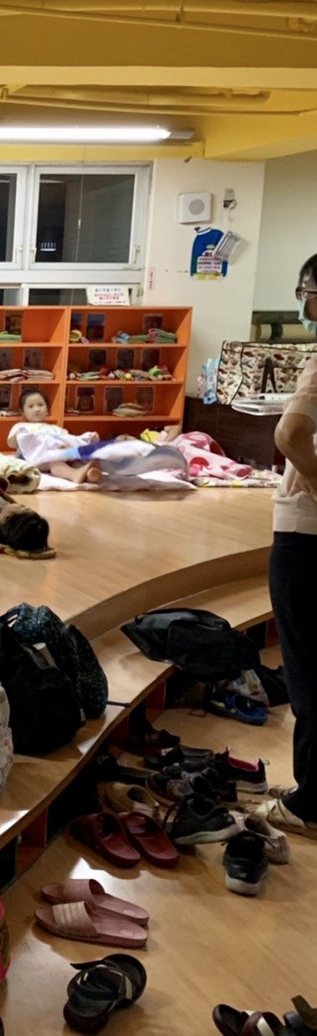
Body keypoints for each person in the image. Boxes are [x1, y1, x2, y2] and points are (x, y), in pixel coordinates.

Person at [252, 251, 317, 839]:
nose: (304, 305)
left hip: (308, 535)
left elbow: (290, 432)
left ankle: (309, 804)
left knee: (308, 667)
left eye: (306, 292)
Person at [7, 390, 107, 485]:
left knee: (75, 460)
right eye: (31, 406)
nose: (37, 409)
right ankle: (74, 475)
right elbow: (12, 444)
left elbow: (67, 439)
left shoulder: (54, 428)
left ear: (47, 409)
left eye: (40, 405)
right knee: (54, 461)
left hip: (58, 454)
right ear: (22, 412)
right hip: (34, 458)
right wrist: (19, 435)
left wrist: (82, 441)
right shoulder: (21, 427)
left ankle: (89, 474)